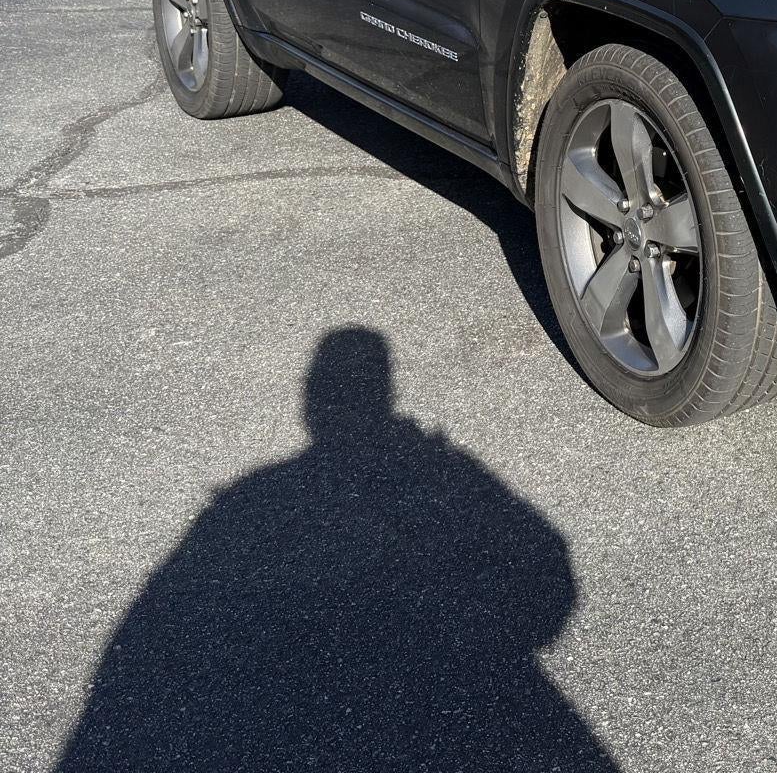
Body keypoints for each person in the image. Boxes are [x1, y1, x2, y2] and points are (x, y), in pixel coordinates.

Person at [54, 327, 618, 772]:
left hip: (284, 716)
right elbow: (552, 577)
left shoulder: (246, 503)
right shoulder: (424, 463)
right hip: (500, 695)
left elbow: (145, 654)